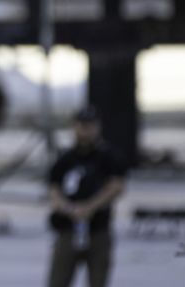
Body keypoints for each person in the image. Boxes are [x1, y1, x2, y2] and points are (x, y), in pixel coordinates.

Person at [46, 106, 127, 287]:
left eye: (90, 126)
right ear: (74, 127)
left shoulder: (108, 156)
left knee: (98, 279)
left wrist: (89, 207)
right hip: (68, 228)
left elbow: (117, 186)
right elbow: (53, 189)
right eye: (82, 125)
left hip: (97, 229)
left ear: (98, 127)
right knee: (58, 279)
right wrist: (69, 209)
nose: (85, 130)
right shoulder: (65, 158)